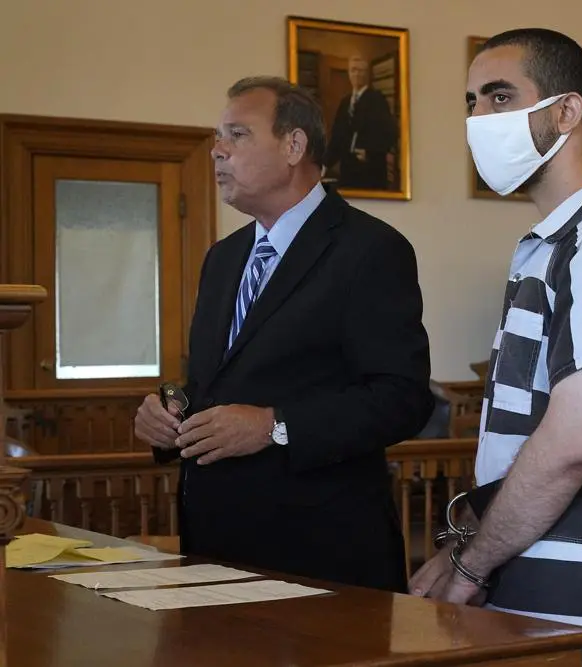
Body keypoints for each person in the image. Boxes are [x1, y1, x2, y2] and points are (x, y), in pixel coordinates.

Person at [409, 28, 582, 667]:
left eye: (501, 96)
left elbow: (571, 445)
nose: (480, 118)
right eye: (472, 101)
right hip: (530, 546)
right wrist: (479, 549)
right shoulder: (559, 239)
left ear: (567, 110)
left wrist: (472, 563)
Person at [133, 76, 433, 592]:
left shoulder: (369, 249)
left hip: (320, 557)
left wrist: (275, 426)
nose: (217, 151)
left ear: (294, 145)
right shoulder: (222, 258)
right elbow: (216, 384)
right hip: (214, 551)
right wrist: (169, 413)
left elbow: (401, 397)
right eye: (216, 137)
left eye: (236, 134)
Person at [323, 55, 398, 190]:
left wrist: (370, 153)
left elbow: (390, 134)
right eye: (353, 70)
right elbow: (337, 137)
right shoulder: (345, 102)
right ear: (349, 73)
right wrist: (325, 164)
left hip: (370, 171)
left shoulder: (377, 100)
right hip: (348, 171)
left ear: (367, 73)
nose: (356, 74)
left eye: (360, 70)